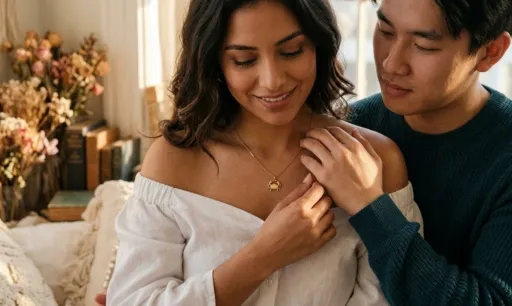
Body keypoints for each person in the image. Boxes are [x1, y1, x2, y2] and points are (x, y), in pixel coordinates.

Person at [103, 0, 423, 305]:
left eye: (291, 51)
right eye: (244, 60)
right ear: (215, 61)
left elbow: (394, 297)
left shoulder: (375, 160)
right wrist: (263, 256)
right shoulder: (174, 161)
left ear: (318, 46)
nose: (272, 81)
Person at [334, 0, 512, 305]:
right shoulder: (351, 128)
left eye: (423, 46)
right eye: (385, 31)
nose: (391, 64)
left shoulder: (504, 157)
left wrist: (370, 206)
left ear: (490, 51)